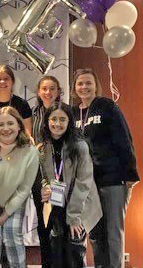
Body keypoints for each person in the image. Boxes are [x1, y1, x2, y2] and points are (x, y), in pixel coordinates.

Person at [71, 68, 140, 268]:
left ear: (96, 86)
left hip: (112, 179)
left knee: (113, 234)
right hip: (87, 184)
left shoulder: (107, 106)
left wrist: (130, 173)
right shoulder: (74, 113)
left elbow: (124, 139)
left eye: (88, 83)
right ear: (75, 88)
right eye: (80, 83)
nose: (84, 87)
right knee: (95, 232)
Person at [39, 103, 102, 268]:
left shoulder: (80, 146)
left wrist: (74, 217)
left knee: (74, 255)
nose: (57, 124)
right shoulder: (45, 148)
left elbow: (83, 183)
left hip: (79, 207)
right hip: (57, 205)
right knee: (56, 255)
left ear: (69, 122)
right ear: (47, 121)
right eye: (53, 119)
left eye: (62, 119)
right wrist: (45, 187)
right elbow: (44, 177)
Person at [0, 106, 39, 268]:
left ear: (19, 125)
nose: (6, 129)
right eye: (1, 124)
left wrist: (7, 212)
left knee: (12, 236)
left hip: (15, 198)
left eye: (10, 123)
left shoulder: (30, 151)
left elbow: (25, 188)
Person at [31, 76, 69, 268]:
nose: (48, 92)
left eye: (52, 88)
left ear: (58, 91)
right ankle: (47, 263)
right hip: (39, 173)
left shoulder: (65, 110)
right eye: (44, 88)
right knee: (44, 219)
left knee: (62, 220)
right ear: (39, 91)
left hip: (62, 172)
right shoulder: (33, 112)